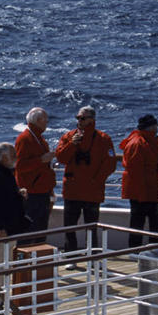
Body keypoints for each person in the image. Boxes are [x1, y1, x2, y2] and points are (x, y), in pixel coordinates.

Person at [55, 105, 116, 253]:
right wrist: (72, 145)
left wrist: (96, 180)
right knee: (69, 226)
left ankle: (93, 256)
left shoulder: (104, 139)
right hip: (72, 190)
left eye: (82, 118)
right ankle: (70, 256)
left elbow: (111, 163)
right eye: (78, 118)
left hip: (92, 192)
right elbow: (61, 158)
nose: (79, 121)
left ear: (91, 120)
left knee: (92, 228)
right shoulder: (68, 137)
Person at [0, 142, 31, 305]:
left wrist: (18, 194)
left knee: (6, 264)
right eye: (13, 155)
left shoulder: (5, 173)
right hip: (1, 231)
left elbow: (5, 198)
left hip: (10, 228)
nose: (16, 158)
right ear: (3, 157)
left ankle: (1, 298)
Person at [119, 114, 158, 248]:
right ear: (151, 126)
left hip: (150, 190)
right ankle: (135, 252)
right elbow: (136, 171)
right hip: (143, 192)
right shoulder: (138, 143)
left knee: (151, 225)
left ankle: (152, 252)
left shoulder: (148, 141)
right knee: (139, 225)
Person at [15, 107, 56, 236]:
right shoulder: (25, 139)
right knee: (28, 231)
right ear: (38, 120)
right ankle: (25, 256)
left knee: (40, 230)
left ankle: (38, 255)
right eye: (45, 120)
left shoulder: (39, 138)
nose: (47, 123)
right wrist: (41, 160)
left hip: (42, 191)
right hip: (32, 193)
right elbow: (19, 165)